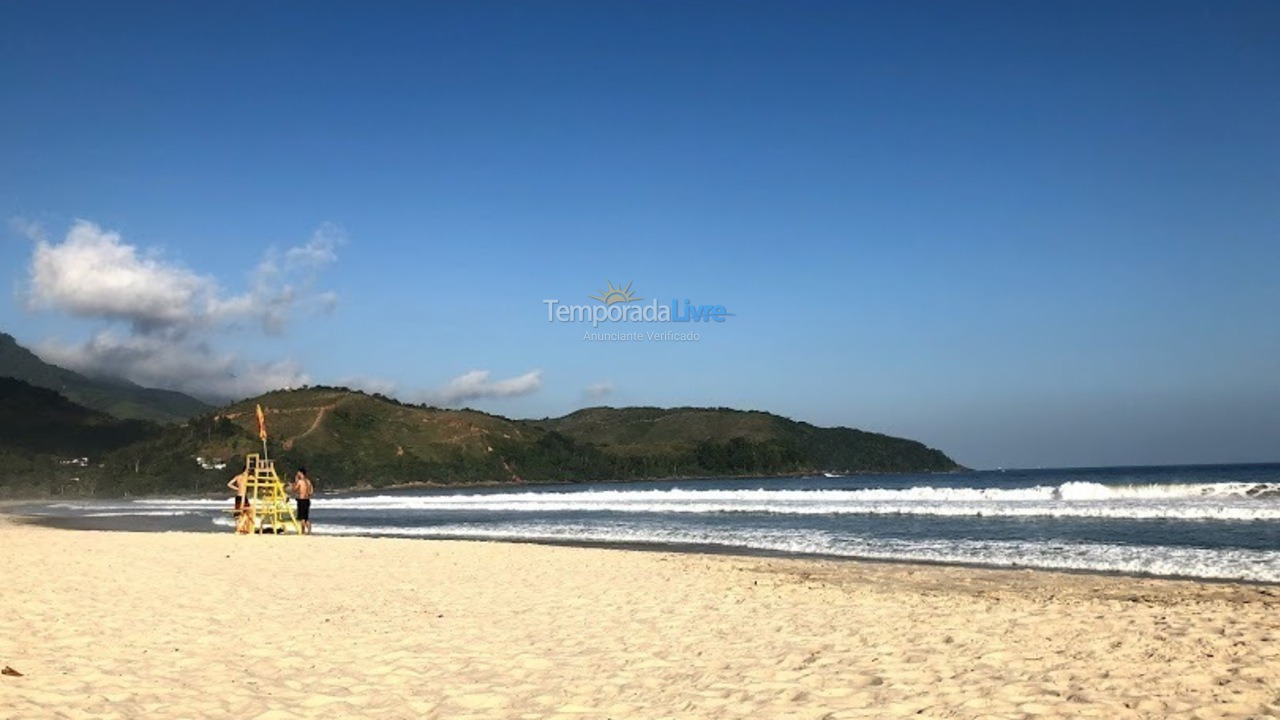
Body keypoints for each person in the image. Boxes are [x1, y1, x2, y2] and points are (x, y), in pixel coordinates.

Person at [292, 466, 315, 534]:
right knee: (306, 518)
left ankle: (303, 531)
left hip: (301, 500)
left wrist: (295, 481)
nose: (297, 473)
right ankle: (309, 530)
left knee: (301, 518)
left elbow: (294, 489)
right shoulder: (308, 481)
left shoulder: (300, 481)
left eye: (298, 472)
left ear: (301, 473)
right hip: (307, 500)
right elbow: (311, 491)